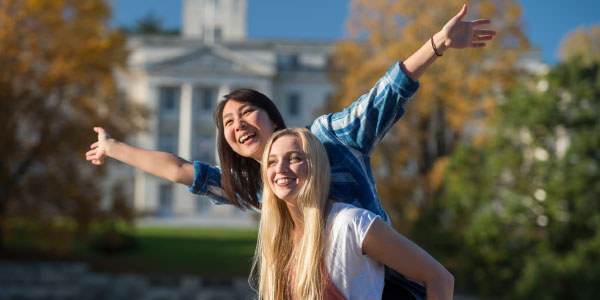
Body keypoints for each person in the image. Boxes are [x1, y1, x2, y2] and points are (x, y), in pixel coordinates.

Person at [86, 4, 493, 299]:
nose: (237, 124)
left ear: (272, 115)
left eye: (247, 113)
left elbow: (383, 97)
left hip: (393, 288)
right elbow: (179, 170)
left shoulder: (329, 138)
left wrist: (438, 44)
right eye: (227, 123)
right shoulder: (260, 190)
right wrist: (113, 147)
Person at [253, 127, 453, 300]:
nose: (280, 168)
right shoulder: (278, 238)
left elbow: (439, 278)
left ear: (316, 166)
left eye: (294, 158)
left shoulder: (350, 224)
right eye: (271, 162)